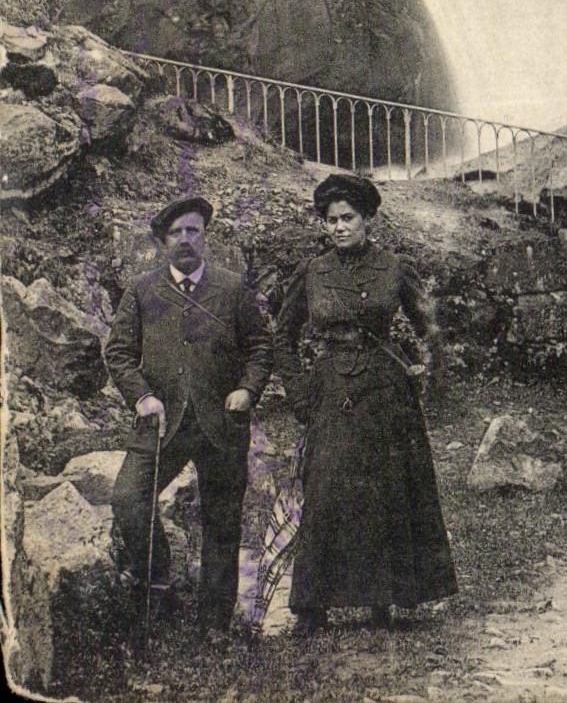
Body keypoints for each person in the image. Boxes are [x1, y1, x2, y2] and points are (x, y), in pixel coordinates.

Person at [274, 172, 457, 635]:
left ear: (368, 219)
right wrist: (299, 396)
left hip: (385, 392)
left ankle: (385, 598)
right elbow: (282, 338)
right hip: (331, 390)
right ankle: (313, 604)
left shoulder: (395, 268)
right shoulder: (312, 273)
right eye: (330, 220)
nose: (337, 227)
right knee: (326, 490)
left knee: (385, 491)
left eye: (347, 218)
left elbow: (431, 330)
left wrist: (429, 384)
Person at [105, 195, 272, 642]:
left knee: (221, 520)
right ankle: (158, 582)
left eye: (193, 230)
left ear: (206, 236)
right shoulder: (141, 291)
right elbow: (118, 353)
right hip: (162, 422)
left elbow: (260, 348)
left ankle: (214, 624)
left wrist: (247, 389)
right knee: (128, 499)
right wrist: (141, 397)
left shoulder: (233, 288)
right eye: (176, 232)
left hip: (221, 424)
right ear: (163, 241)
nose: (185, 240)